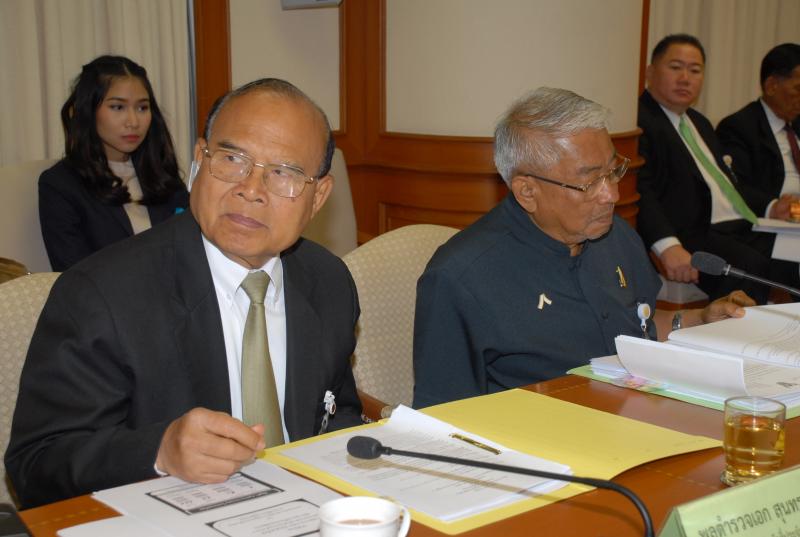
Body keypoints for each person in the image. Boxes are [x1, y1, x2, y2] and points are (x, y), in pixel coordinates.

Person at [6, 78, 363, 508]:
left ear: (318, 196)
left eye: (282, 173)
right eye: (232, 159)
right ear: (198, 162)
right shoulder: (102, 294)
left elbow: (337, 413)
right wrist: (159, 451)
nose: (250, 189)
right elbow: (36, 465)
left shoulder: (329, 282)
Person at [412, 87, 753, 409]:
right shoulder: (462, 278)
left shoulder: (615, 235)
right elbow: (442, 416)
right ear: (527, 191)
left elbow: (639, 324)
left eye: (613, 172)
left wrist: (699, 320)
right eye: (589, 182)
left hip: (636, 416)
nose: (611, 195)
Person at [637, 34, 800, 304]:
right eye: (675, 67)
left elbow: (730, 183)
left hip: (740, 225)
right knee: (751, 267)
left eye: (695, 70)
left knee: (792, 257)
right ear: (650, 72)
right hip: (694, 230)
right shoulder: (640, 121)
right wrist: (667, 245)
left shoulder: (698, 122)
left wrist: (771, 208)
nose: (685, 78)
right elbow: (641, 189)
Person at [39, 55, 188, 271]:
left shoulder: (161, 173)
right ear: (88, 111)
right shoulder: (60, 185)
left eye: (142, 108)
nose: (133, 122)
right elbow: (74, 275)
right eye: (118, 107)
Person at [717, 43, 800, 219]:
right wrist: (772, 207)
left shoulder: (796, 124)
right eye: (798, 89)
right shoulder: (738, 128)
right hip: (772, 224)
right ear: (771, 86)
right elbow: (733, 185)